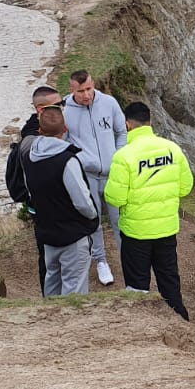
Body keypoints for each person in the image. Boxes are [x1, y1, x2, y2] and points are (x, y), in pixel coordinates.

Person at [104, 102, 193, 320]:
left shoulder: (123, 156)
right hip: (166, 229)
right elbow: (185, 187)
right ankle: (181, 322)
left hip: (136, 232)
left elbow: (115, 198)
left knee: (137, 287)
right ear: (150, 122)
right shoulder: (172, 149)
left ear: (127, 125)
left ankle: (142, 327)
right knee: (169, 282)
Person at [24, 105, 98, 296]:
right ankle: (73, 326)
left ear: (40, 131)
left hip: (47, 235)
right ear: (65, 130)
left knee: (52, 286)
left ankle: (51, 324)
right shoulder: (67, 160)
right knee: (75, 292)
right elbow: (82, 202)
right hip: (73, 235)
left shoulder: (29, 158)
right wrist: (92, 216)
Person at [62, 69, 127, 286]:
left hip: (113, 175)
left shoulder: (109, 103)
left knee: (121, 221)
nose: (86, 95)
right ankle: (101, 261)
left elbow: (122, 132)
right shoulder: (64, 109)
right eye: (81, 91)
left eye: (89, 88)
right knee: (94, 221)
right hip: (87, 175)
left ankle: (128, 260)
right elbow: (63, 141)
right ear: (72, 89)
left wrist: (118, 158)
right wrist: (79, 160)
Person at [7, 85, 61, 289]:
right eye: (58, 105)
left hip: (47, 204)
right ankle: (51, 299)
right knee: (49, 257)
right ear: (40, 109)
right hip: (43, 206)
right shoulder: (32, 141)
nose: (63, 108)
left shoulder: (40, 132)